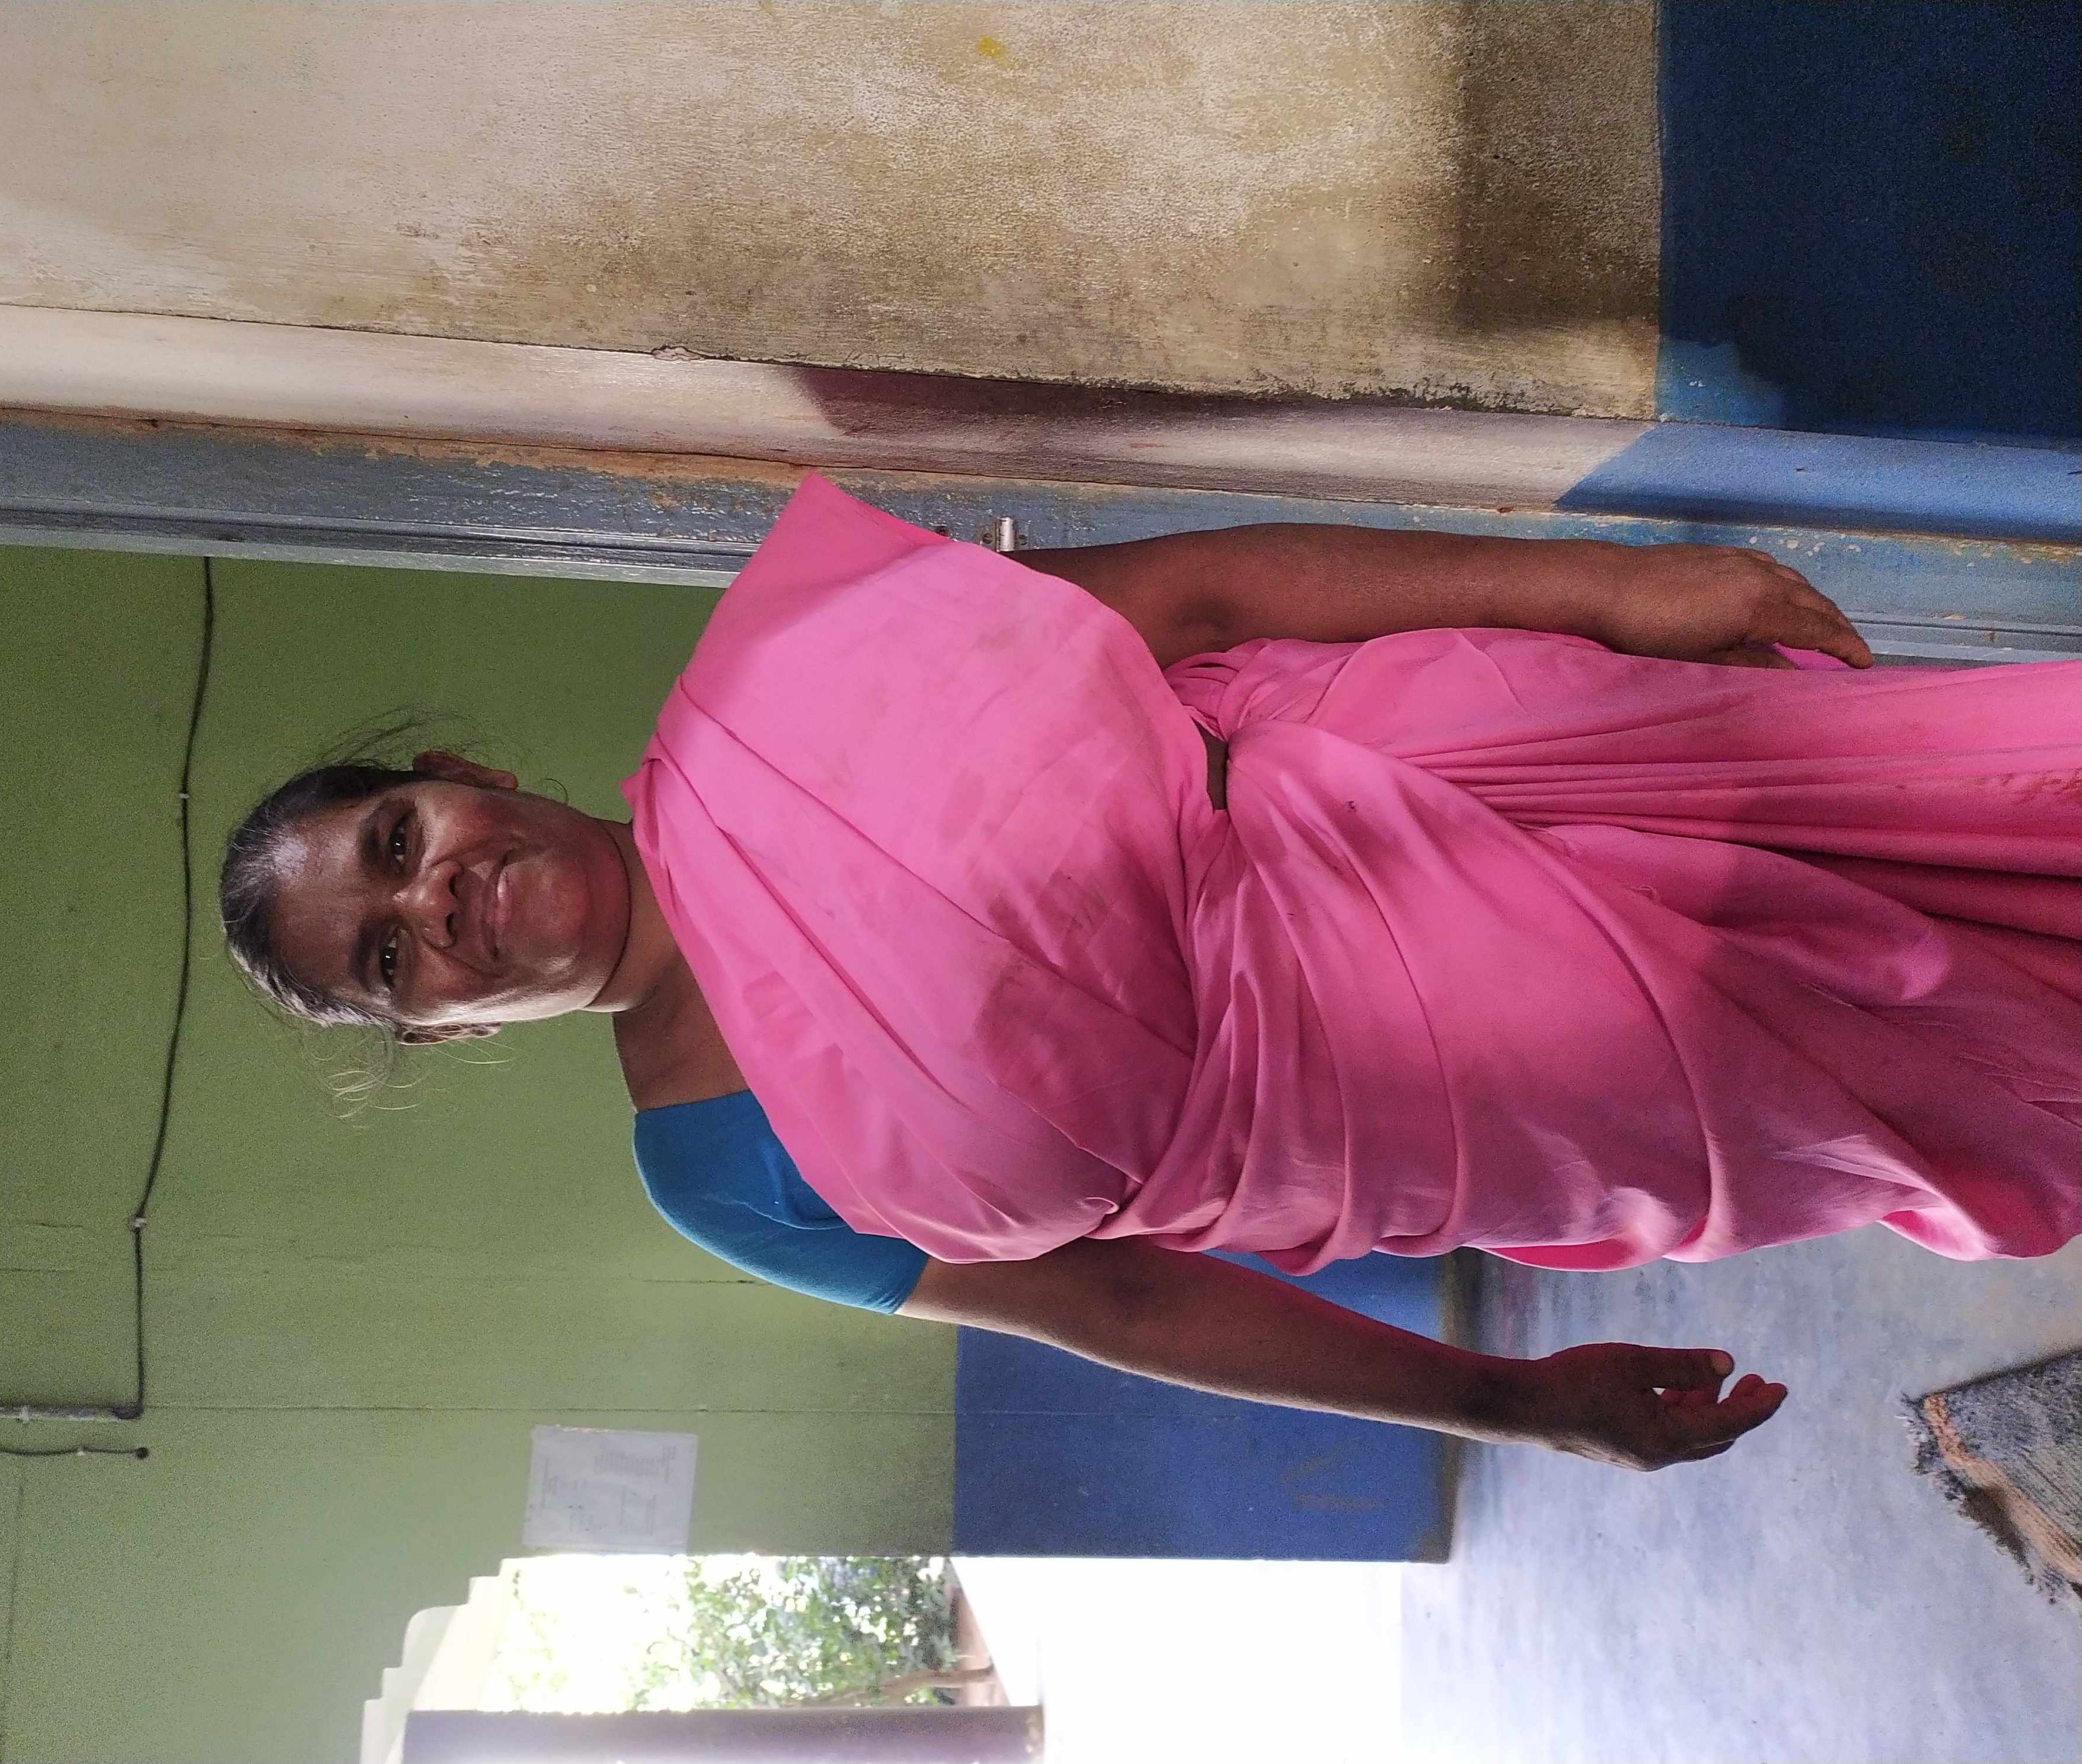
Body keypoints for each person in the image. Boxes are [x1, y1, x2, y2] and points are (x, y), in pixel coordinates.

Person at [221, 476, 2080, 1473]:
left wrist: (1608, 590)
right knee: (1950, 1073)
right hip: (1481, 1099)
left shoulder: (776, 686)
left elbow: (1203, 597)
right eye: (389, 961)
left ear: (455, 777)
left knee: (1981, 800)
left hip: (1474, 762)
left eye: (395, 840)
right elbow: (1123, 1307)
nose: (438, 903)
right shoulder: (714, 1175)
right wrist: (1513, 1404)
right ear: (434, 1028)